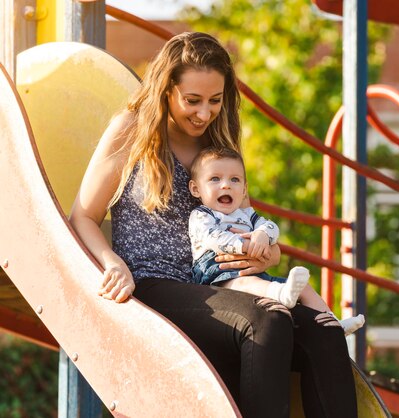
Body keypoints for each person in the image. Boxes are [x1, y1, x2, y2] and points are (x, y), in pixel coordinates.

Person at [69, 32, 359, 417]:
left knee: (324, 330)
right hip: (153, 283)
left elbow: (247, 221)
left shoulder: (217, 142)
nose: (204, 113)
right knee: (268, 319)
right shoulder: (132, 129)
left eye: (214, 100)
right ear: (166, 89)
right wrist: (112, 263)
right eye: (192, 100)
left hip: (216, 283)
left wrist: (266, 255)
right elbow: (83, 216)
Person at [188, 147, 365, 335]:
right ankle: (282, 295)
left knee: (304, 287)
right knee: (244, 284)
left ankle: (333, 323)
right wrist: (245, 245)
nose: (226, 185)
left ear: (244, 189)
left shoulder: (247, 215)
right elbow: (213, 237)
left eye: (235, 179)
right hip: (217, 277)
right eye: (215, 179)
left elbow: (271, 227)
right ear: (196, 189)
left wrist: (262, 236)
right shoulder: (201, 215)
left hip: (255, 274)